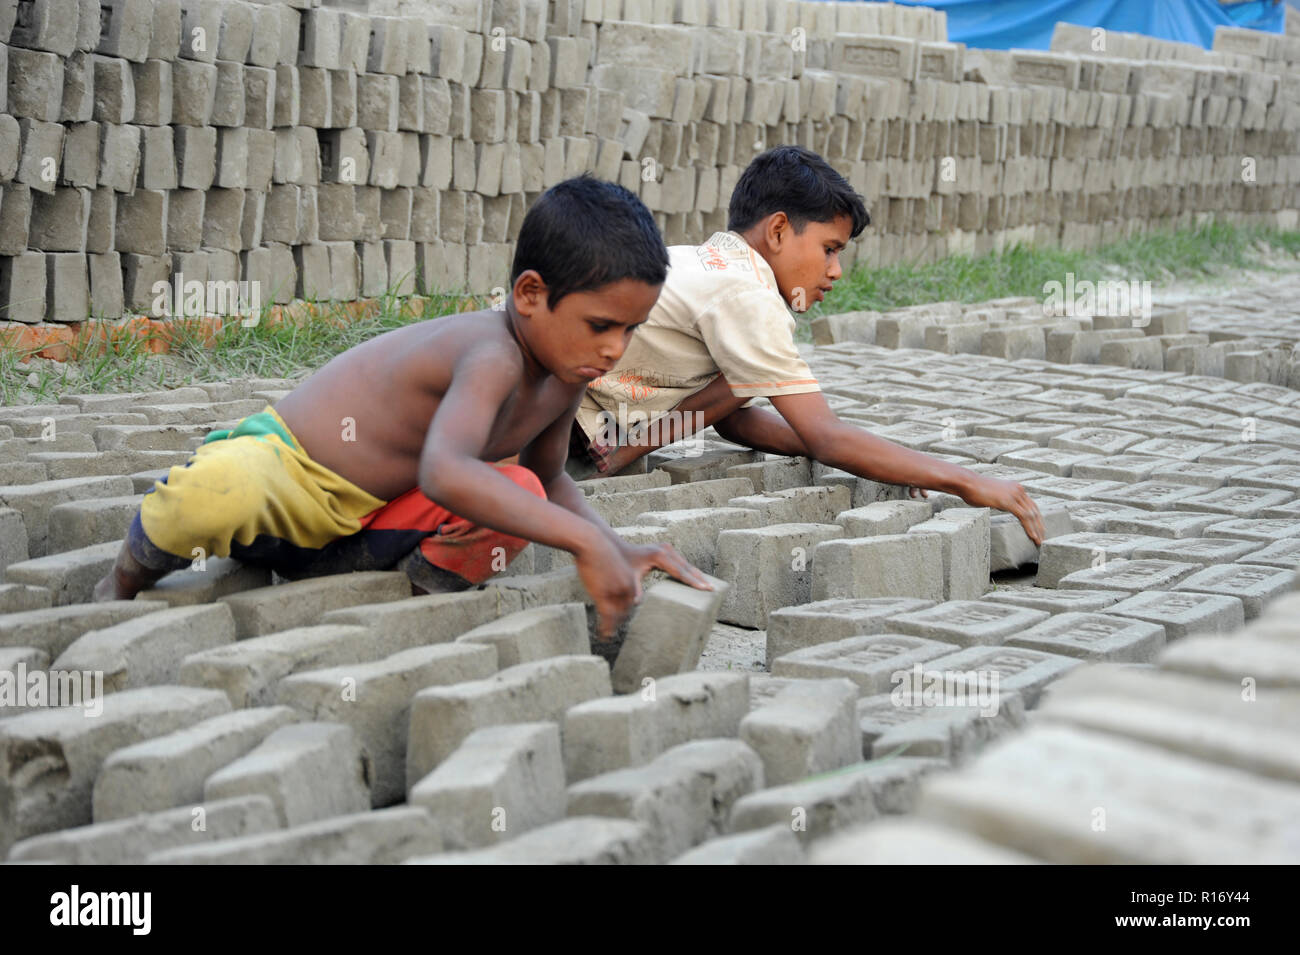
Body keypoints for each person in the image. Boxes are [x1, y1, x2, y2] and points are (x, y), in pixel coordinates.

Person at [93, 176, 711, 637]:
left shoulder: (567, 370)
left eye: (630, 331)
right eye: (601, 324)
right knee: (220, 489)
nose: (614, 349)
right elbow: (446, 470)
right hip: (291, 480)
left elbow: (548, 477)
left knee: (518, 487)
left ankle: (385, 607)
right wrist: (582, 543)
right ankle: (121, 582)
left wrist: (612, 543)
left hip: (377, 522)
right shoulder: (491, 354)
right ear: (530, 294)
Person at [569, 146, 1045, 544]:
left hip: (560, 405)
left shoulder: (708, 264)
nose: (836, 272)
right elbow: (824, 436)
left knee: (739, 384)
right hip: (553, 421)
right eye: (830, 249)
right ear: (777, 231)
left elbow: (734, 416)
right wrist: (965, 480)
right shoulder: (748, 296)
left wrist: (890, 460)